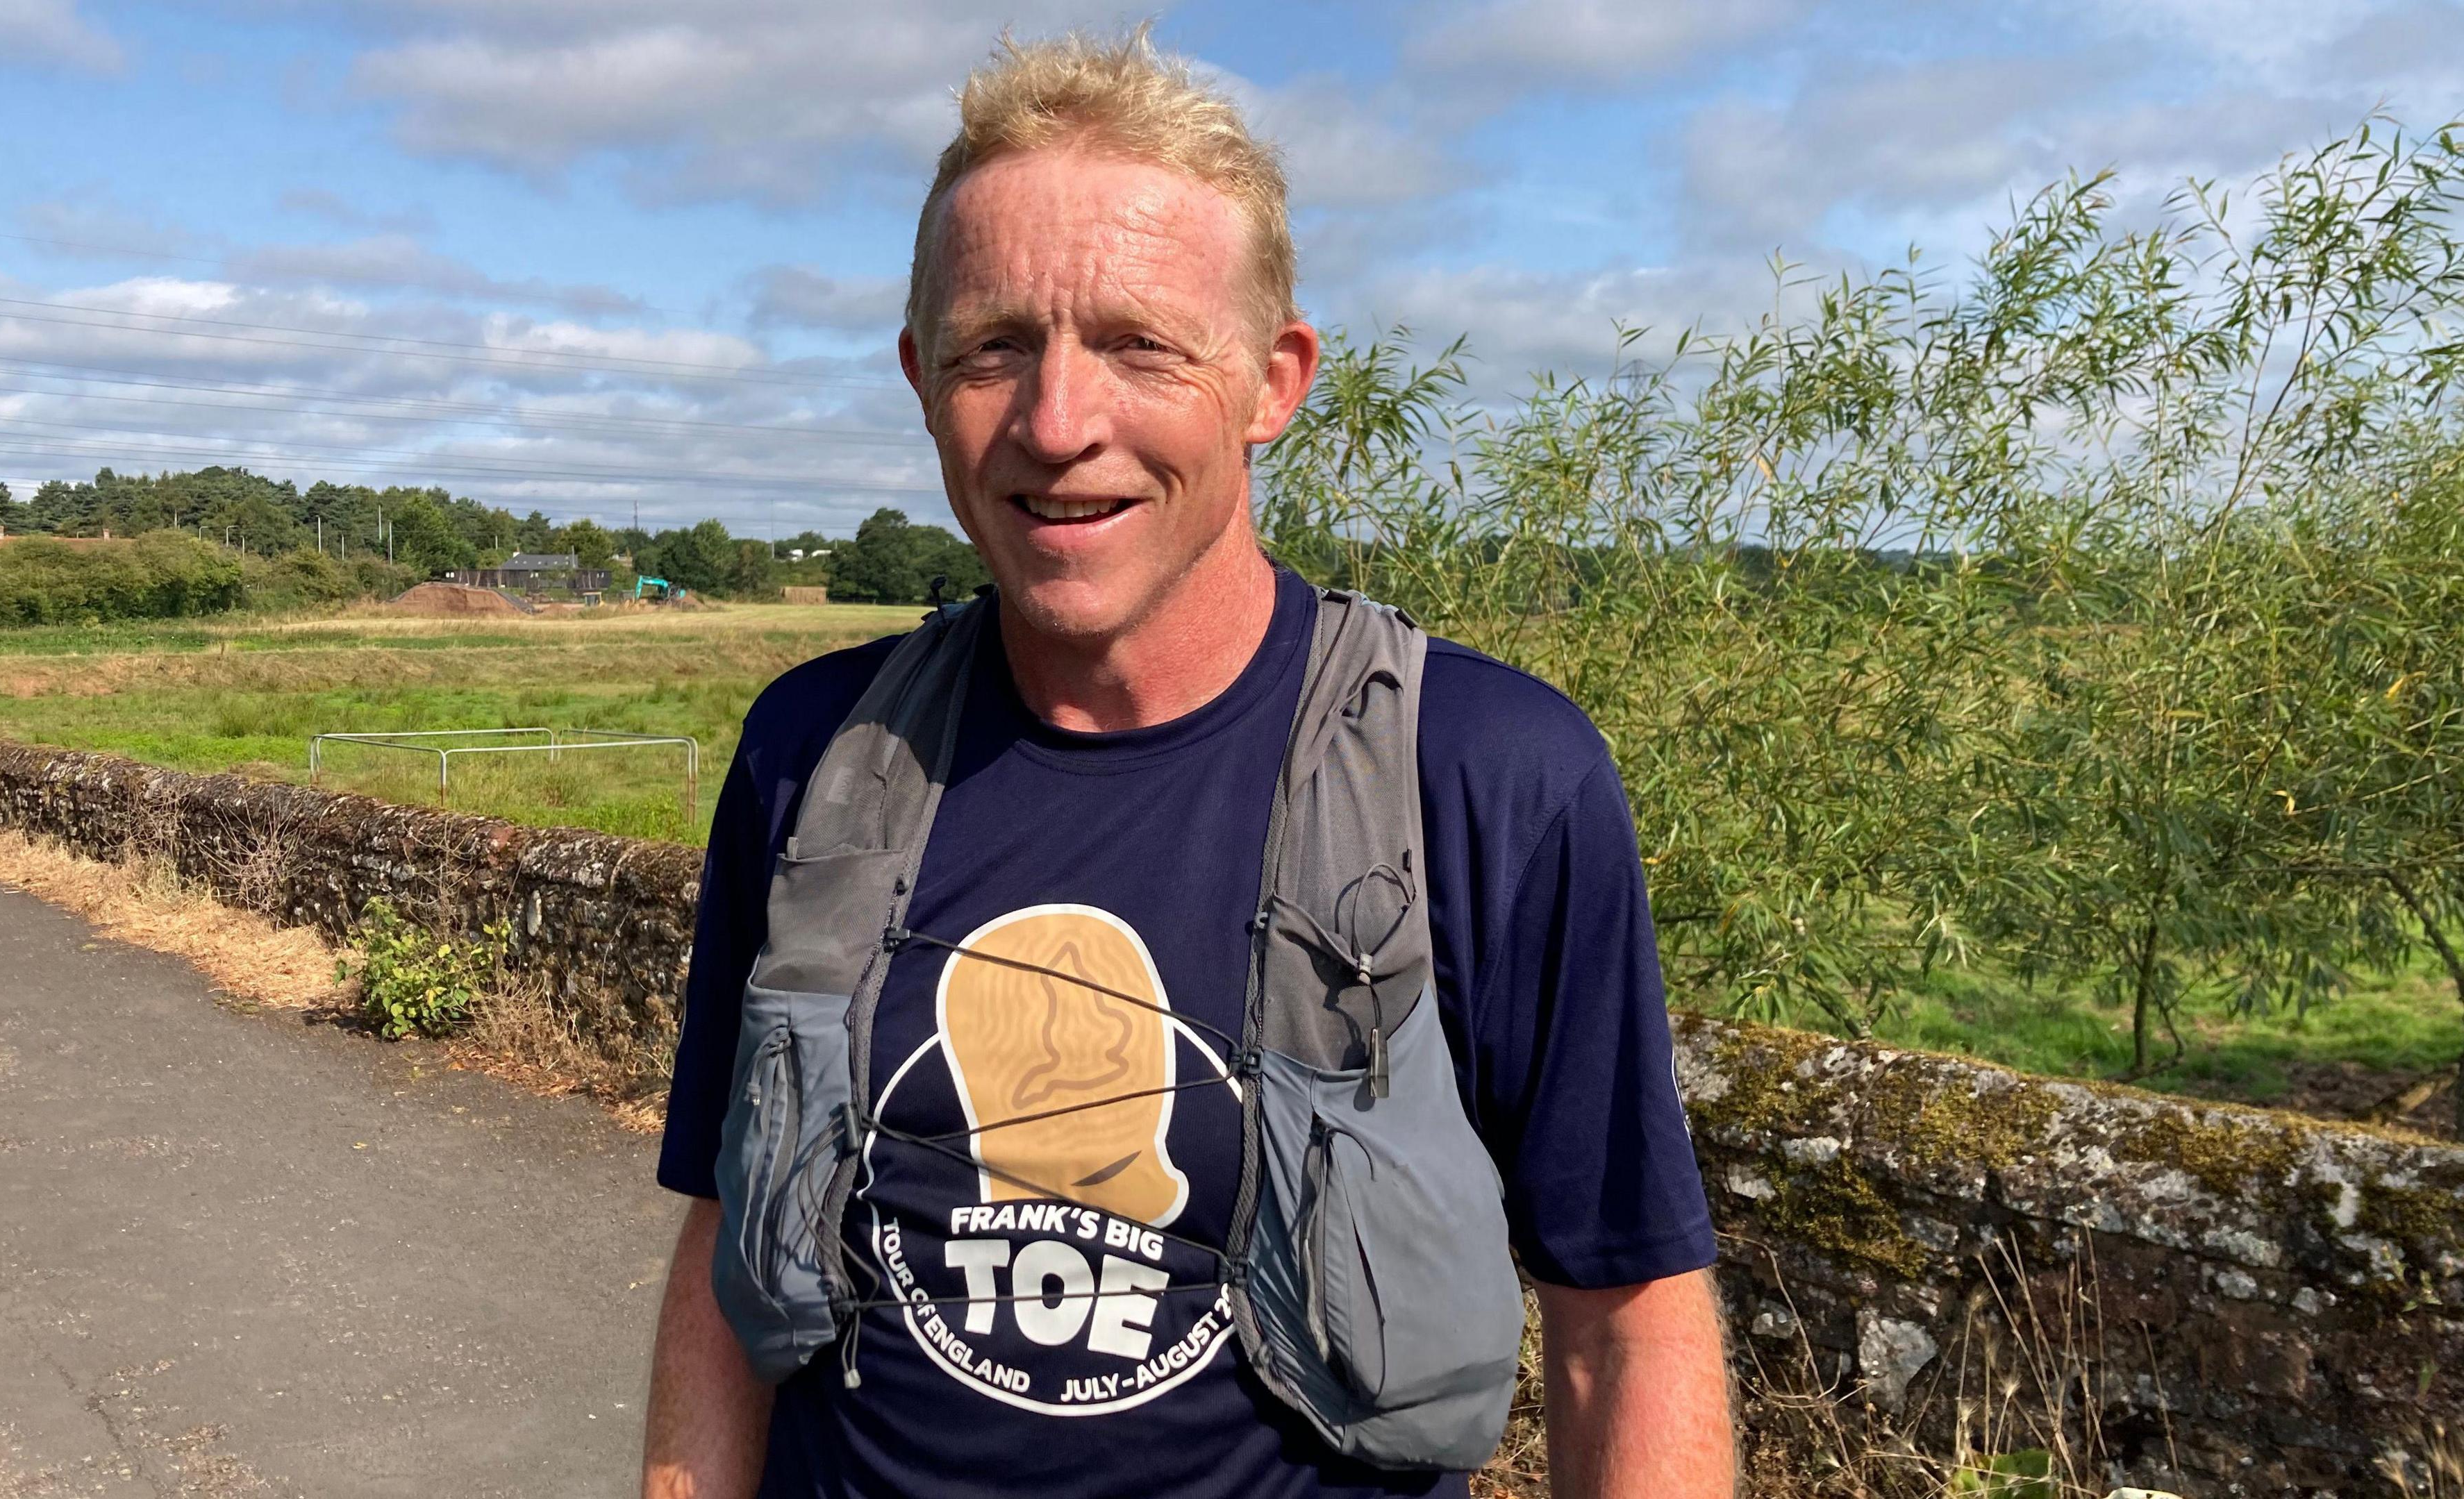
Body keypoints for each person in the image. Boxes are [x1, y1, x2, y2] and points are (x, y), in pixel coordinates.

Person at [641, 29, 1733, 1499]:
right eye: (992, 348)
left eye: (1142, 345)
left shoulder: (1486, 775)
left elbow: (1627, 1321)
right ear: (920, 377)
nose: (1058, 423)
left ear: (1273, 382)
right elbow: (726, 1237)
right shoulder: (818, 756)